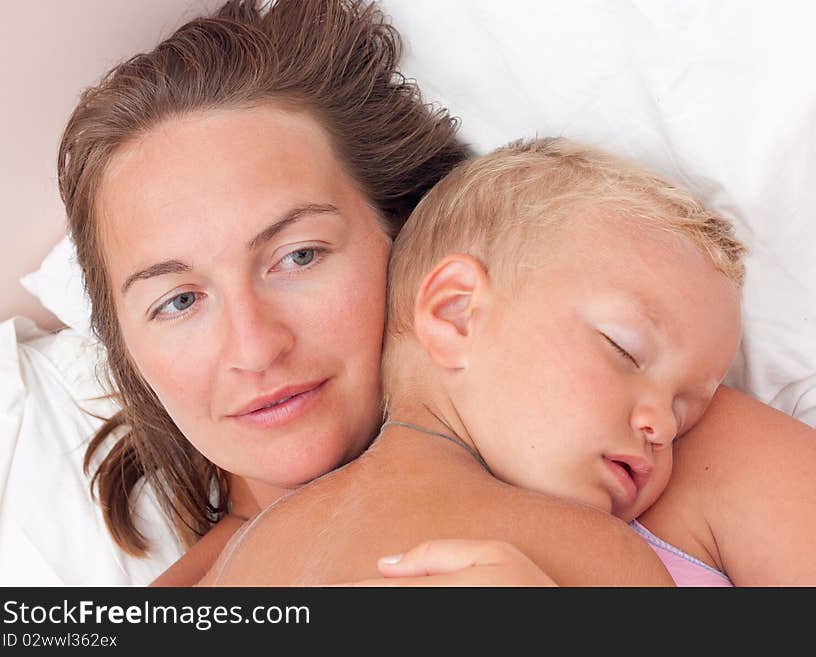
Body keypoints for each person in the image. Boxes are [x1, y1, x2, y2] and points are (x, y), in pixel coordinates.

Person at [59, 0, 672, 586]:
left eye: (298, 256)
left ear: (404, 233)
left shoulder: (633, 442)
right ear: (128, 349)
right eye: (180, 301)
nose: (255, 347)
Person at [201, 137, 749, 586]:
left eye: (686, 411)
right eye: (623, 349)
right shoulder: (585, 550)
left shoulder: (248, 557)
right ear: (456, 313)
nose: (662, 424)